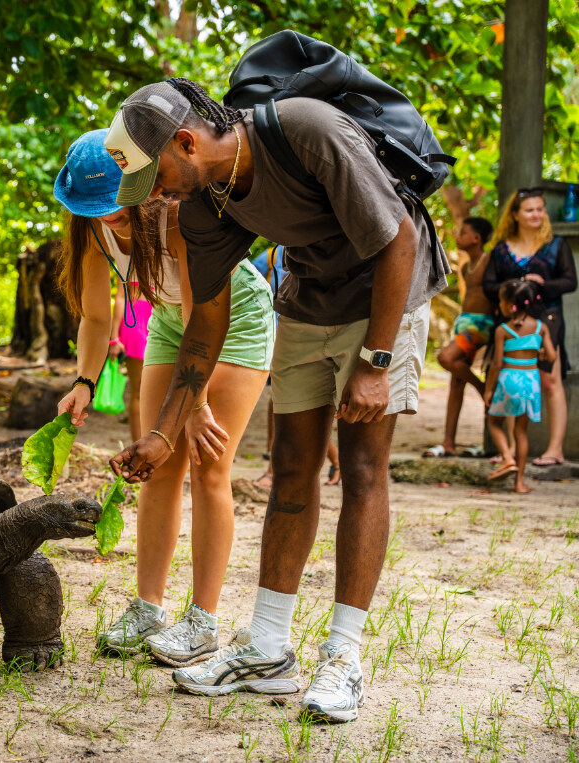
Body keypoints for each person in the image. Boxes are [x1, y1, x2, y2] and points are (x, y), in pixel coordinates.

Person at [103, 78, 449, 722]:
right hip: (309, 299)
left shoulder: (306, 129)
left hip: (384, 297)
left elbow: (399, 239)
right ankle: (267, 648)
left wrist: (375, 363)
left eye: (157, 177)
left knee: (362, 468)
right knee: (291, 465)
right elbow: (205, 325)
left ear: (186, 142)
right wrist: (163, 433)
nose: (157, 195)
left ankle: (343, 657)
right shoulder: (204, 204)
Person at [52, 129, 275, 667]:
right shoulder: (93, 228)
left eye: (115, 205)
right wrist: (84, 382)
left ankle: (202, 620)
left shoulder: (176, 219)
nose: (109, 217)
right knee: (154, 464)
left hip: (232, 320)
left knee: (208, 464)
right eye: (95, 208)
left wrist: (194, 408)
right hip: (172, 322)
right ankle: (148, 607)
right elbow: (97, 317)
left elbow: (206, 319)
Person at [483, 189, 577, 466]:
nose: (537, 214)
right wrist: (515, 286)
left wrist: (542, 284)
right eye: (529, 210)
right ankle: (512, 450)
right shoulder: (501, 249)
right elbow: (488, 286)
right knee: (513, 379)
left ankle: (555, 449)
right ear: (515, 215)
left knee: (550, 380)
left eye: (540, 209)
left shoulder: (556, 244)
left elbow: (570, 282)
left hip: (548, 319)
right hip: (512, 322)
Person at [252, 244, 340, 488]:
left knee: (308, 405)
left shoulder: (327, 246)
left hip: (321, 335)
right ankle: (275, 469)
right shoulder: (271, 256)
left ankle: (334, 461)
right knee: (285, 402)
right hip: (281, 337)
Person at [425, 216, 496, 457]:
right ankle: (448, 443)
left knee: (446, 358)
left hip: (481, 325)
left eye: (463, 232)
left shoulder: (490, 263)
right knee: (456, 381)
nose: (457, 236)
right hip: (465, 323)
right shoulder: (466, 268)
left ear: (476, 238)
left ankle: (483, 388)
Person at [485, 279, 557, 492]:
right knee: (521, 431)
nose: (500, 305)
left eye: (501, 301)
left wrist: (488, 389)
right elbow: (552, 356)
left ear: (509, 305)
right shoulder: (541, 328)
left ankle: (508, 458)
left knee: (494, 422)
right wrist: (539, 352)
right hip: (531, 382)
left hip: (509, 380)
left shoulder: (503, 330)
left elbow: (497, 364)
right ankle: (519, 483)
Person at [109, 260, 151, 443]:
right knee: (139, 389)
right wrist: (114, 338)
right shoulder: (128, 256)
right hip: (136, 318)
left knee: (163, 389)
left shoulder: (171, 249)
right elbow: (120, 296)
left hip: (164, 316)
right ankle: (139, 447)